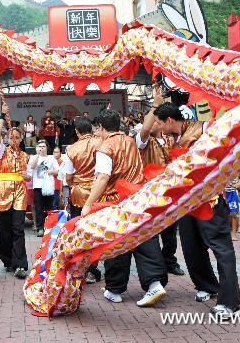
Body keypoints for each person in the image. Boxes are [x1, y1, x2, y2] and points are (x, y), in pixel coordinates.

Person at [153, 102, 240, 316]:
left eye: (159, 122)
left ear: (170, 121)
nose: (157, 125)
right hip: (186, 202)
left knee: (221, 248)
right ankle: (207, 286)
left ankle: (230, 302)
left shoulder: (203, 129)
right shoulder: (169, 139)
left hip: (209, 199)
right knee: (191, 248)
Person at [81, 109, 168, 307]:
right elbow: (146, 127)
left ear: (101, 128)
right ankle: (154, 283)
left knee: (116, 244)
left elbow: (102, 178)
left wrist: (88, 204)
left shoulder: (105, 147)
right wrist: (154, 106)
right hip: (138, 198)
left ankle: (114, 289)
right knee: (145, 238)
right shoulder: (131, 141)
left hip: (116, 201)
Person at [136, 92, 185, 276]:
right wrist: (155, 105)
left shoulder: (171, 139)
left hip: (170, 190)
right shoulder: (144, 141)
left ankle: (170, 260)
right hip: (152, 191)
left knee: (171, 231)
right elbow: (146, 129)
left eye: (159, 121)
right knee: (153, 230)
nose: (157, 123)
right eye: (156, 120)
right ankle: (156, 263)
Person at [63, 116, 103, 283]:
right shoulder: (100, 143)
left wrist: (76, 182)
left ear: (77, 132)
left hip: (79, 193)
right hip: (99, 191)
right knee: (97, 231)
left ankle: (82, 267)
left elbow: (68, 176)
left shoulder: (71, 149)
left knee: (80, 231)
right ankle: (94, 268)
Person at [0, 116, 31, 279]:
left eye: (17, 137)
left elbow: (28, 176)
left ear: (22, 138)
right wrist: (1, 121)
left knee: (18, 229)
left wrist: (27, 177)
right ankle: (7, 259)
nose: (14, 140)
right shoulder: (2, 151)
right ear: (7, 139)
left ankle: (20, 265)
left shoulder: (25, 156)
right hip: (3, 193)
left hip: (20, 194)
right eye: (11, 137)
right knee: (3, 230)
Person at [28, 140, 59, 237]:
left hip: (49, 186)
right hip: (38, 186)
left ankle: (49, 227)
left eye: (43, 146)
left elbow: (57, 171)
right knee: (39, 208)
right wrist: (37, 154)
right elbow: (32, 166)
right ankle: (40, 228)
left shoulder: (51, 158)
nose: (42, 148)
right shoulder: (34, 157)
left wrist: (50, 172)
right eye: (40, 146)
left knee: (50, 207)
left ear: (47, 147)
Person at [224, 170, 240, 241]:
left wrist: (239, 183)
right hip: (221, 191)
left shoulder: (236, 163)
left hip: (232, 191)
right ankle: (224, 233)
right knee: (222, 212)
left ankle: (233, 234)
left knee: (234, 213)